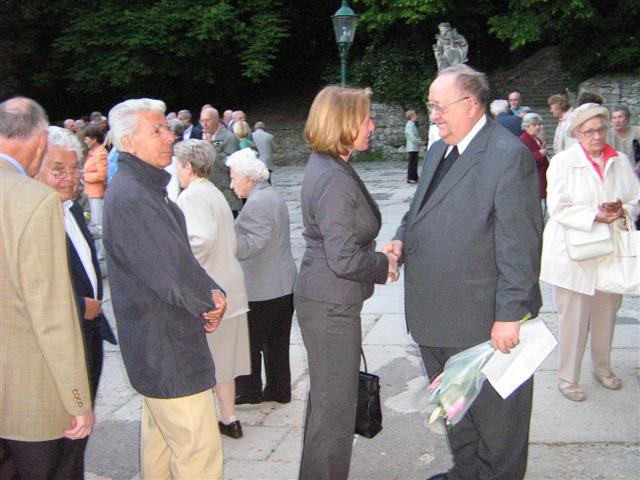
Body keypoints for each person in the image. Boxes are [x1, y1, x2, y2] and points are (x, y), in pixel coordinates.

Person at [383, 64, 542, 480]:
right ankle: (465, 473)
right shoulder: (440, 150)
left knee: (498, 425)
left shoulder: (508, 157)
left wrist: (510, 314)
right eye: (431, 106)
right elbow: (418, 209)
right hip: (435, 319)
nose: (433, 114)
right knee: (456, 410)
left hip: (482, 323)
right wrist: (401, 236)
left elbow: (520, 245)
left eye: (439, 106)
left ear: (471, 105)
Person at [103, 98, 228, 479]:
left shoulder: (143, 189)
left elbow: (180, 258)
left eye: (166, 127)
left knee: (160, 453)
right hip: (168, 350)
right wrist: (210, 300)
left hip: (160, 349)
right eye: (155, 130)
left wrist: (211, 290)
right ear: (128, 143)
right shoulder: (134, 196)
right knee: (199, 459)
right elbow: (171, 272)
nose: (168, 136)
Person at [295, 85, 398, 480]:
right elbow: (342, 258)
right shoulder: (333, 176)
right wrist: (383, 262)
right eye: (366, 118)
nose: (372, 125)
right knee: (334, 414)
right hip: (330, 307)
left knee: (328, 407)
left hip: (327, 302)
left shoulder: (330, 165)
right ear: (343, 122)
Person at [0, 97, 93, 479]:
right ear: (40, 141)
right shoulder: (34, 201)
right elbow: (51, 314)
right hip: (30, 400)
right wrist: (77, 398)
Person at [540, 103, 640, 402]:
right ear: (577, 134)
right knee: (573, 318)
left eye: (601, 129)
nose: (597, 136)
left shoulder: (619, 160)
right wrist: (595, 214)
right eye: (589, 131)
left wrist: (621, 209)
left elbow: (635, 197)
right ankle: (568, 377)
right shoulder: (563, 162)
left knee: (606, 314)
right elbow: (558, 207)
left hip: (609, 250)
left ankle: (603, 368)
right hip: (573, 252)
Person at [36, 126, 118, 477]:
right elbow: (27, 289)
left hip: (88, 336)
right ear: (33, 168)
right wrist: (76, 304)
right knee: (58, 440)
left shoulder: (70, 208)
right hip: (57, 346)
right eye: (58, 169)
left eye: (74, 168)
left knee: (78, 438)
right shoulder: (31, 219)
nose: (70, 177)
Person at [174, 139, 251, 439]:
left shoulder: (191, 196)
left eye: (178, 165)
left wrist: (184, 266)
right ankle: (229, 418)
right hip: (231, 283)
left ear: (189, 167)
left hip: (211, 290)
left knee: (207, 362)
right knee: (224, 362)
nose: (176, 171)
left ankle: (209, 423)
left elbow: (200, 240)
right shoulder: (214, 192)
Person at [226, 148, 298, 405]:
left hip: (263, 288)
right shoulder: (269, 195)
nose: (231, 183)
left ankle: (249, 391)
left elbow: (251, 246)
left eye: (233, 177)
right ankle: (278, 391)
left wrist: (224, 237)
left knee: (248, 343)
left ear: (249, 177)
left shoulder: (257, 202)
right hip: (279, 284)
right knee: (276, 343)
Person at [200, 106, 242, 215]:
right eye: (202, 121)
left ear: (217, 120)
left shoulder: (229, 138)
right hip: (208, 194)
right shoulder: (204, 137)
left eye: (207, 120)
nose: (204, 124)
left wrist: (212, 148)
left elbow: (230, 166)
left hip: (226, 197)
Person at [519, 112, 550, 218]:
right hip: (535, 180)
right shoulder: (523, 140)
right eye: (534, 125)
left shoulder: (537, 139)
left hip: (542, 179)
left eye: (538, 125)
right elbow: (523, 160)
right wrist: (539, 154)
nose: (538, 127)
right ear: (527, 126)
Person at [83, 124, 107, 238]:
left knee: (99, 225)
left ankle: (102, 253)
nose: (85, 141)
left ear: (94, 139)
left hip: (97, 194)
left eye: (87, 138)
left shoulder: (100, 153)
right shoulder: (92, 152)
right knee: (95, 224)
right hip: (91, 193)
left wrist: (85, 176)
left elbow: (102, 175)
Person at [404, 109, 424, 183]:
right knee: (412, 163)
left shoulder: (411, 124)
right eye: (415, 115)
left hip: (413, 147)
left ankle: (415, 177)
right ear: (412, 116)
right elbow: (411, 136)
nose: (416, 116)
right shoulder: (410, 125)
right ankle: (411, 178)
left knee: (414, 163)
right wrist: (419, 142)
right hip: (412, 147)